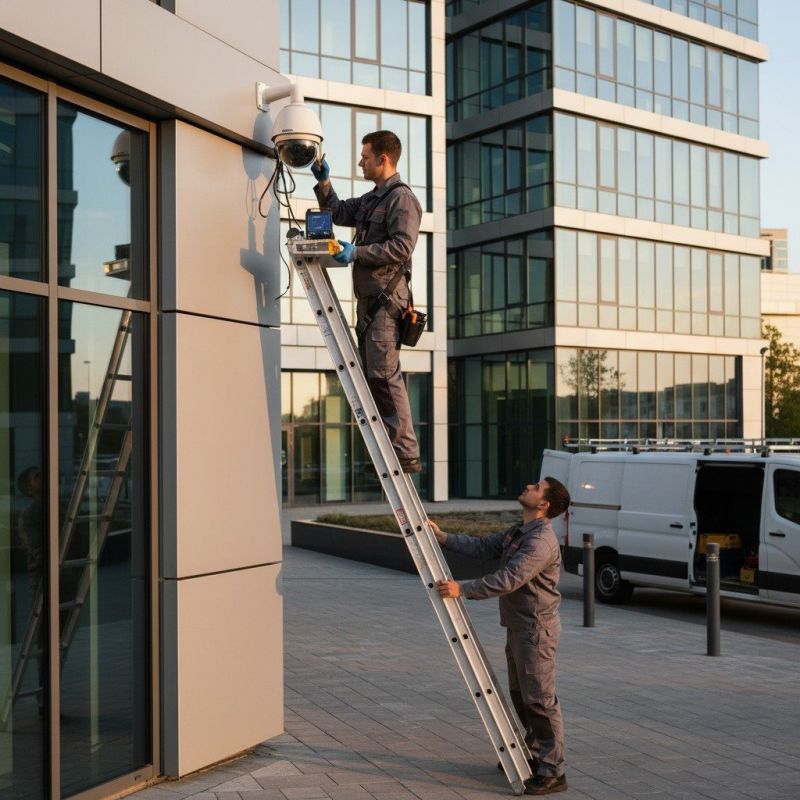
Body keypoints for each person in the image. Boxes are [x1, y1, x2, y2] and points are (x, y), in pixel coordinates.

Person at [430, 478, 571, 796]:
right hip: (519, 627)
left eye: (537, 487)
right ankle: (534, 754)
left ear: (543, 504)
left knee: (540, 700)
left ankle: (553, 771)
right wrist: (443, 538)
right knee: (522, 696)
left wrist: (461, 589)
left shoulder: (541, 542)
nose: (529, 486)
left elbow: (510, 579)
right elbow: (484, 547)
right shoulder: (520, 530)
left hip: (536, 631)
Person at [311, 130, 422, 474]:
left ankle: (405, 452)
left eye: (365, 157)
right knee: (375, 376)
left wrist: (356, 252)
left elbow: (402, 246)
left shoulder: (401, 199)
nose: (360, 162)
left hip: (386, 302)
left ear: (383, 159)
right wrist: (324, 183)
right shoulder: (373, 198)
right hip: (371, 301)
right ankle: (391, 449)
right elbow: (338, 211)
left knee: (385, 375)